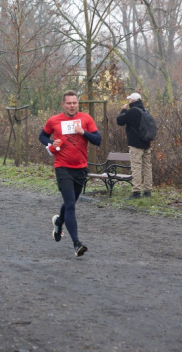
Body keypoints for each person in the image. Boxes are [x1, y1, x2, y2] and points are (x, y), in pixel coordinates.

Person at [39, 90, 102, 257]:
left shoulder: (86, 119)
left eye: (75, 103)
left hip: (81, 168)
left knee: (70, 203)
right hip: (62, 167)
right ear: (63, 104)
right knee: (71, 205)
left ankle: (59, 223)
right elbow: (42, 136)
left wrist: (83, 133)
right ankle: (76, 244)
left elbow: (98, 140)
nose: (72, 106)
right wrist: (52, 142)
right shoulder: (54, 120)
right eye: (69, 103)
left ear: (78, 104)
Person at [116, 92, 153, 199]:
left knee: (136, 167)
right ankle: (148, 191)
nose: (129, 101)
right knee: (147, 168)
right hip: (146, 143)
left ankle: (136, 192)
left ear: (132, 101)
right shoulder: (145, 111)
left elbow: (120, 121)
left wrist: (123, 110)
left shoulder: (132, 111)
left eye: (129, 100)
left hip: (135, 144)